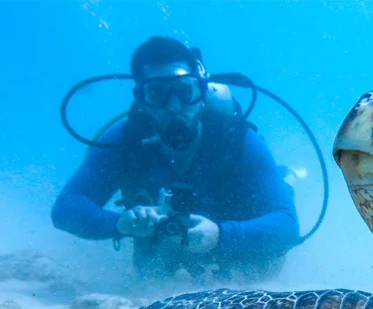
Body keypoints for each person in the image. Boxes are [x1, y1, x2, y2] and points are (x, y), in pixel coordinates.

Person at [51, 36, 300, 282]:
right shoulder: (124, 142)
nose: (173, 106)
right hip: (166, 255)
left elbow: (287, 226)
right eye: (156, 93)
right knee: (151, 272)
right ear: (140, 99)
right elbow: (65, 207)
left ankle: (283, 179)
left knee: (263, 269)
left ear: (201, 91)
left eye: (184, 91)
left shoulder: (236, 140)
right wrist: (118, 224)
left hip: (238, 250)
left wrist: (221, 235)